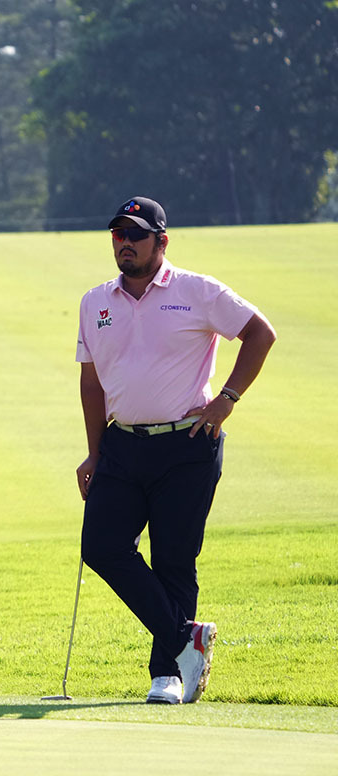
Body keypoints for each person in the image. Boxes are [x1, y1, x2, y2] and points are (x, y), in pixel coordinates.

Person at [74, 197, 276, 704]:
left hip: (187, 446)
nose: (124, 243)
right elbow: (91, 384)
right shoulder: (94, 302)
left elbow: (259, 333)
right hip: (121, 445)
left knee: (173, 560)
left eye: (136, 235)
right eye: (118, 234)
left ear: (161, 242)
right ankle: (188, 639)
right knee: (100, 547)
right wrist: (94, 452)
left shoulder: (197, 291)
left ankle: (169, 675)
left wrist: (226, 400)